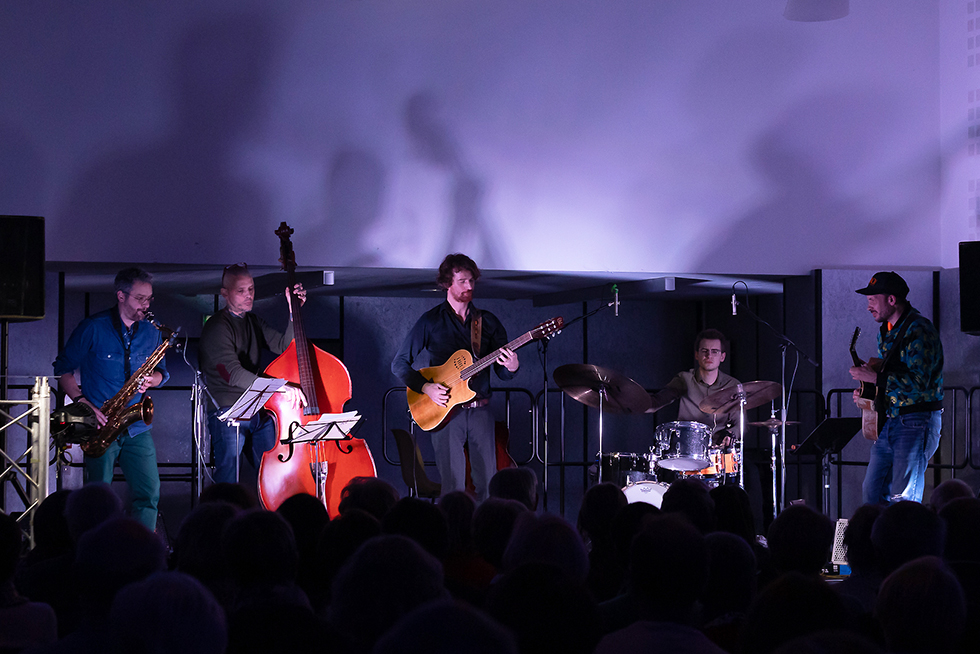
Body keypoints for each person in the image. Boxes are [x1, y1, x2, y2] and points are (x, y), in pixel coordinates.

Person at [391, 253, 519, 501]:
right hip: (446, 412)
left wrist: (512, 366)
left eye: (472, 280)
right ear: (447, 283)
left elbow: (503, 372)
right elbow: (399, 364)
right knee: (453, 485)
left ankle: (484, 534)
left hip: (480, 409)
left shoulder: (488, 322)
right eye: (462, 280)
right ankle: (453, 535)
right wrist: (426, 388)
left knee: (488, 484)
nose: (469, 286)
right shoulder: (430, 321)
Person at [53, 267, 169, 532]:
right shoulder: (93, 328)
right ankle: (94, 550)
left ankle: (142, 551)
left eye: (149, 298)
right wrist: (84, 404)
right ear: (121, 295)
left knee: (149, 494)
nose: (146, 305)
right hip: (100, 425)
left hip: (137, 426)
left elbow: (164, 373)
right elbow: (62, 370)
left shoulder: (151, 332)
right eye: (140, 298)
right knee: (96, 500)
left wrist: (152, 380)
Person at [198, 263, 307, 484]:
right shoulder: (218, 326)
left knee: (272, 473)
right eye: (241, 291)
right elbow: (233, 374)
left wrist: (293, 311)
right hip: (227, 410)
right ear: (225, 294)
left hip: (257, 407)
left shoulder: (252, 320)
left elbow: (284, 346)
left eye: (251, 289)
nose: (249, 296)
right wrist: (279, 386)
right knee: (228, 475)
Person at [850, 271, 943, 505]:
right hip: (892, 421)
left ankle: (903, 541)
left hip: (916, 420)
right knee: (872, 492)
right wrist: (868, 391)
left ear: (891, 300)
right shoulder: (887, 330)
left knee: (903, 498)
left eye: (873, 299)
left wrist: (875, 379)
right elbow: (890, 376)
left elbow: (920, 382)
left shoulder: (918, 329)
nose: (869, 306)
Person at [648, 329, 741, 444]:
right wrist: (632, 401)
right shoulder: (684, 379)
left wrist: (730, 434)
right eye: (704, 351)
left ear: (722, 357)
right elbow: (657, 402)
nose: (709, 355)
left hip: (718, 451)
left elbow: (739, 424)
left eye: (715, 351)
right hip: (686, 448)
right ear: (697, 354)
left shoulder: (733, 385)